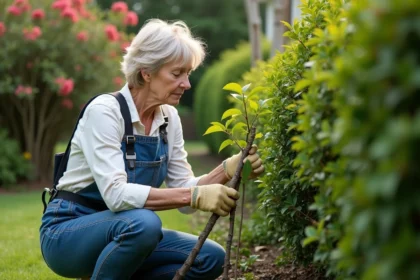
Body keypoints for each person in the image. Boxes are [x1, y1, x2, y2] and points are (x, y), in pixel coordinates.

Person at [40, 19, 264, 280]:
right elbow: (115, 195)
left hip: (127, 229)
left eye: (188, 74)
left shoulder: (168, 118)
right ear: (147, 72)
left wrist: (226, 170)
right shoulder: (105, 111)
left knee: (210, 258)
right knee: (145, 224)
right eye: (177, 73)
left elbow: (185, 193)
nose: (186, 84)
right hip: (68, 231)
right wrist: (194, 195)